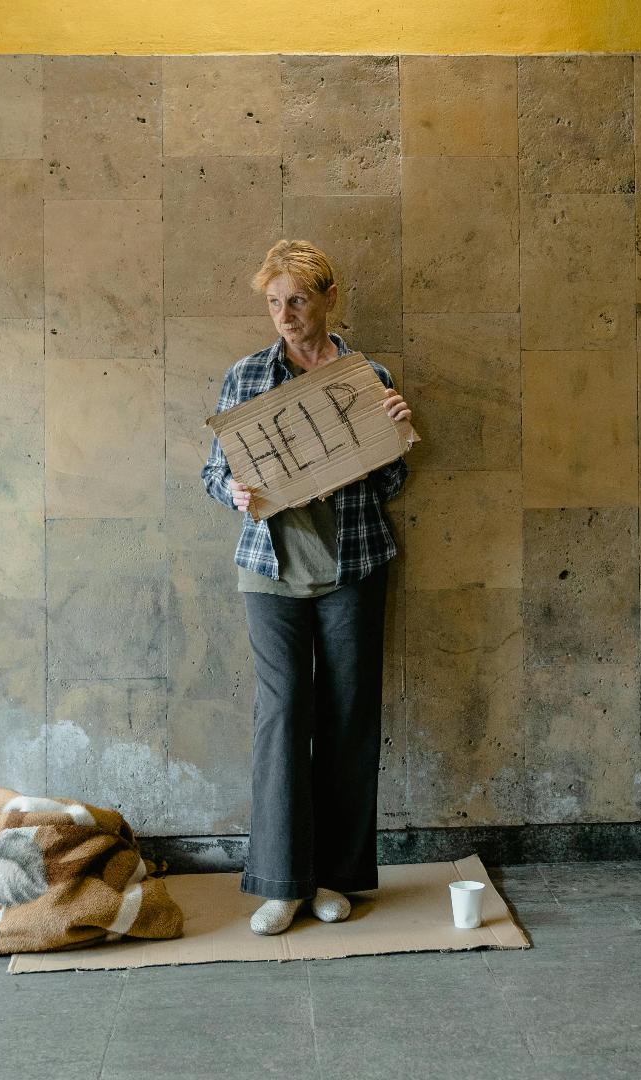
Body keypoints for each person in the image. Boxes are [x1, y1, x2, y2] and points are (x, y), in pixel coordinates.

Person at [200, 240, 412, 936]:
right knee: (284, 714)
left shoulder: (364, 376)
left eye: (297, 300)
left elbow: (389, 484)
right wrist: (231, 490)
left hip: (353, 563)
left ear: (327, 298)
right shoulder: (245, 377)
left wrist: (398, 439)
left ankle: (335, 879)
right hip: (268, 569)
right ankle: (283, 884)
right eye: (273, 303)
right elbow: (212, 474)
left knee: (348, 716)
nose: (285, 316)